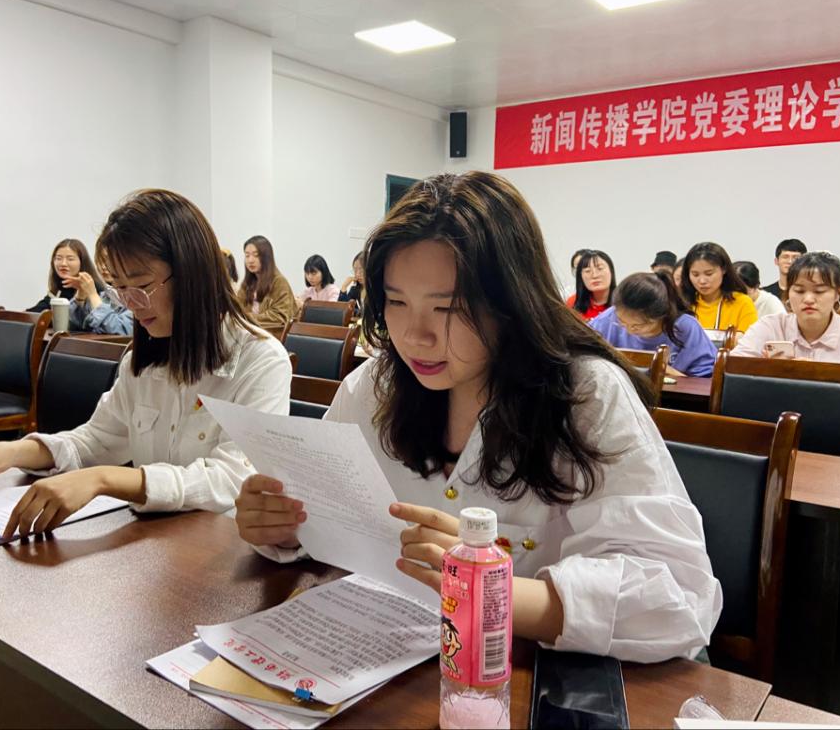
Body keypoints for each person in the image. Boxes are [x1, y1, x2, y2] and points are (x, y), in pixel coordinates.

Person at [234, 171, 721, 663]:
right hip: (392, 656)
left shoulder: (585, 395)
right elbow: (325, 512)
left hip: (526, 676)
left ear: (513, 303)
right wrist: (284, 526)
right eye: (396, 301)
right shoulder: (376, 387)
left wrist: (490, 587)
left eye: (448, 308)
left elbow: (678, 599)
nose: (415, 335)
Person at [0, 190, 292, 538]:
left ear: (192, 274)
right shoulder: (144, 359)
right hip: (155, 543)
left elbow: (232, 478)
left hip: (220, 548)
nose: (131, 304)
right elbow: (95, 440)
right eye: (119, 289)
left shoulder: (260, 361)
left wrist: (104, 479)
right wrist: (9, 452)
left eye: (140, 286)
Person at [735, 253, 840, 366]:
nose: (808, 299)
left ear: (838, 293)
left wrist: (813, 371)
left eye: (819, 291)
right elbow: (733, 369)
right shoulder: (770, 326)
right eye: (799, 291)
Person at [591, 272, 716, 377]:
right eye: (621, 323)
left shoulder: (685, 327)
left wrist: (668, 373)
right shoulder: (607, 319)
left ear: (661, 316)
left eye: (638, 326)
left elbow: (705, 381)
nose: (629, 331)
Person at [680, 242, 758, 334]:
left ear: (724, 269)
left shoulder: (742, 303)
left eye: (709, 274)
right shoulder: (682, 303)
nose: (702, 281)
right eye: (695, 274)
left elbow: (751, 340)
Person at [27, 239, 105, 314]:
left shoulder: (94, 288)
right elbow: (38, 310)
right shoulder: (60, 287)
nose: (63, 263)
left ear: (82, 262)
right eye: (59, 258)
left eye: (70, 259)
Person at [67, 252, 134, 336]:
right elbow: (73, 327)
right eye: (100, 261)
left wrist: (92, 294)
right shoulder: (103, 294)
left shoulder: (135, 296)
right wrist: (80, 298)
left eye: (109, 261)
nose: (103, 267)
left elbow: (119, 330)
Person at [238, 236, 297, 330]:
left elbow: (279, 316)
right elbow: (237, 309)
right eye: (247, 255)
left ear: (266, 258)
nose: (250, 260)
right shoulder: (247, 283)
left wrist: (248, 318)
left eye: (256, 255)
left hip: (272, 333)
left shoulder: (279, 282)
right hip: (249, 331)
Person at [566, 250, 615, 321]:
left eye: (600, 269)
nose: (595, 275)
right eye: (587, 271)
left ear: (611, 271)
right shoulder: (573, 303)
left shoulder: (624, 302)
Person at [762, 239, 807, 305]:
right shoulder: (765, 294)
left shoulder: (809, 292)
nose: (790, 261)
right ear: (776, 261)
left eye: (795, 258)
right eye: (785, 257)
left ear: (804, 262)